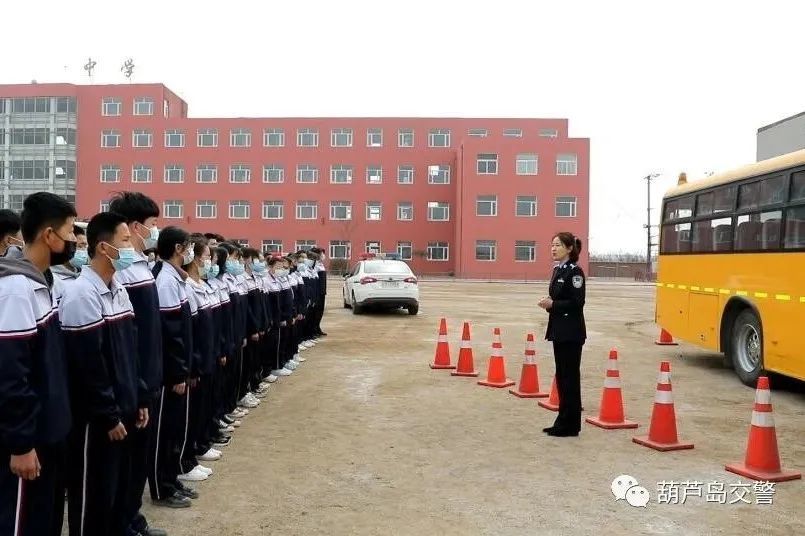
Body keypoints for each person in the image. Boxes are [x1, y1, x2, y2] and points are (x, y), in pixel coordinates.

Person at [59, 211, 144, 535]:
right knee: (92, 494)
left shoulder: (118, 288)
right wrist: (108, 415)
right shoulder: (81, 293)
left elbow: (129, 351)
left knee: (113, 492)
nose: (131, 249)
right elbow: (88, 364)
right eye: (125, 241)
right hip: (95, 419)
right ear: (104, 247)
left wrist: (138, 397)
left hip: (121, 410)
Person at [0, 192, 76, 536]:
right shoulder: (16, 288)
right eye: (71, 231)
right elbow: (11, 374)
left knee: (44, 520)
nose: (74, 240)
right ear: (49, 235)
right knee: (21, 523)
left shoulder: (43, 282)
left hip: (49, 433)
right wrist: (20, 443)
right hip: (27, 442)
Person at [107, 192, 168, 536]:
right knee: (126, 462)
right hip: (135, 384)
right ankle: (121, 523)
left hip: (149, 378)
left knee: (138, 461)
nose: (155, 230)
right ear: (133, 227)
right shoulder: (124, 274)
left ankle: (132, 517)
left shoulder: (142, 268)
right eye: (151, 225)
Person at [151, 226, 196, 508]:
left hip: (179, 370)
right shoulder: (165, 281)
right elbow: (170, 333)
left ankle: (171, 478)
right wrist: (178, 372)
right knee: (164, 431)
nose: (190, 251)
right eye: (189, 246)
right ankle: (161, 487)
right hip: (170, 374)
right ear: (178, 249)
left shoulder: (176, 279)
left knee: (175, 429)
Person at [538, 232, 586, 438]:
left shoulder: (575, 272)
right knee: (562, 377)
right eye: (552, 245)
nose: (553, 248)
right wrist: (550, 304)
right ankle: (562, 421)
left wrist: (553, 304)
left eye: (557, 245)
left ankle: (571, 424)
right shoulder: (558, 270)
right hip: (559, 331)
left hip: (571, 333)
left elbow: (577, 303)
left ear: (569, 248)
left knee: (570, 378)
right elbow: (558, 297)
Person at [51, 223, 89, 299]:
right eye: (80, 246)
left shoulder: (83, 276)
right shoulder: (53, 280)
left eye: (85, 246)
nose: (84, 251)